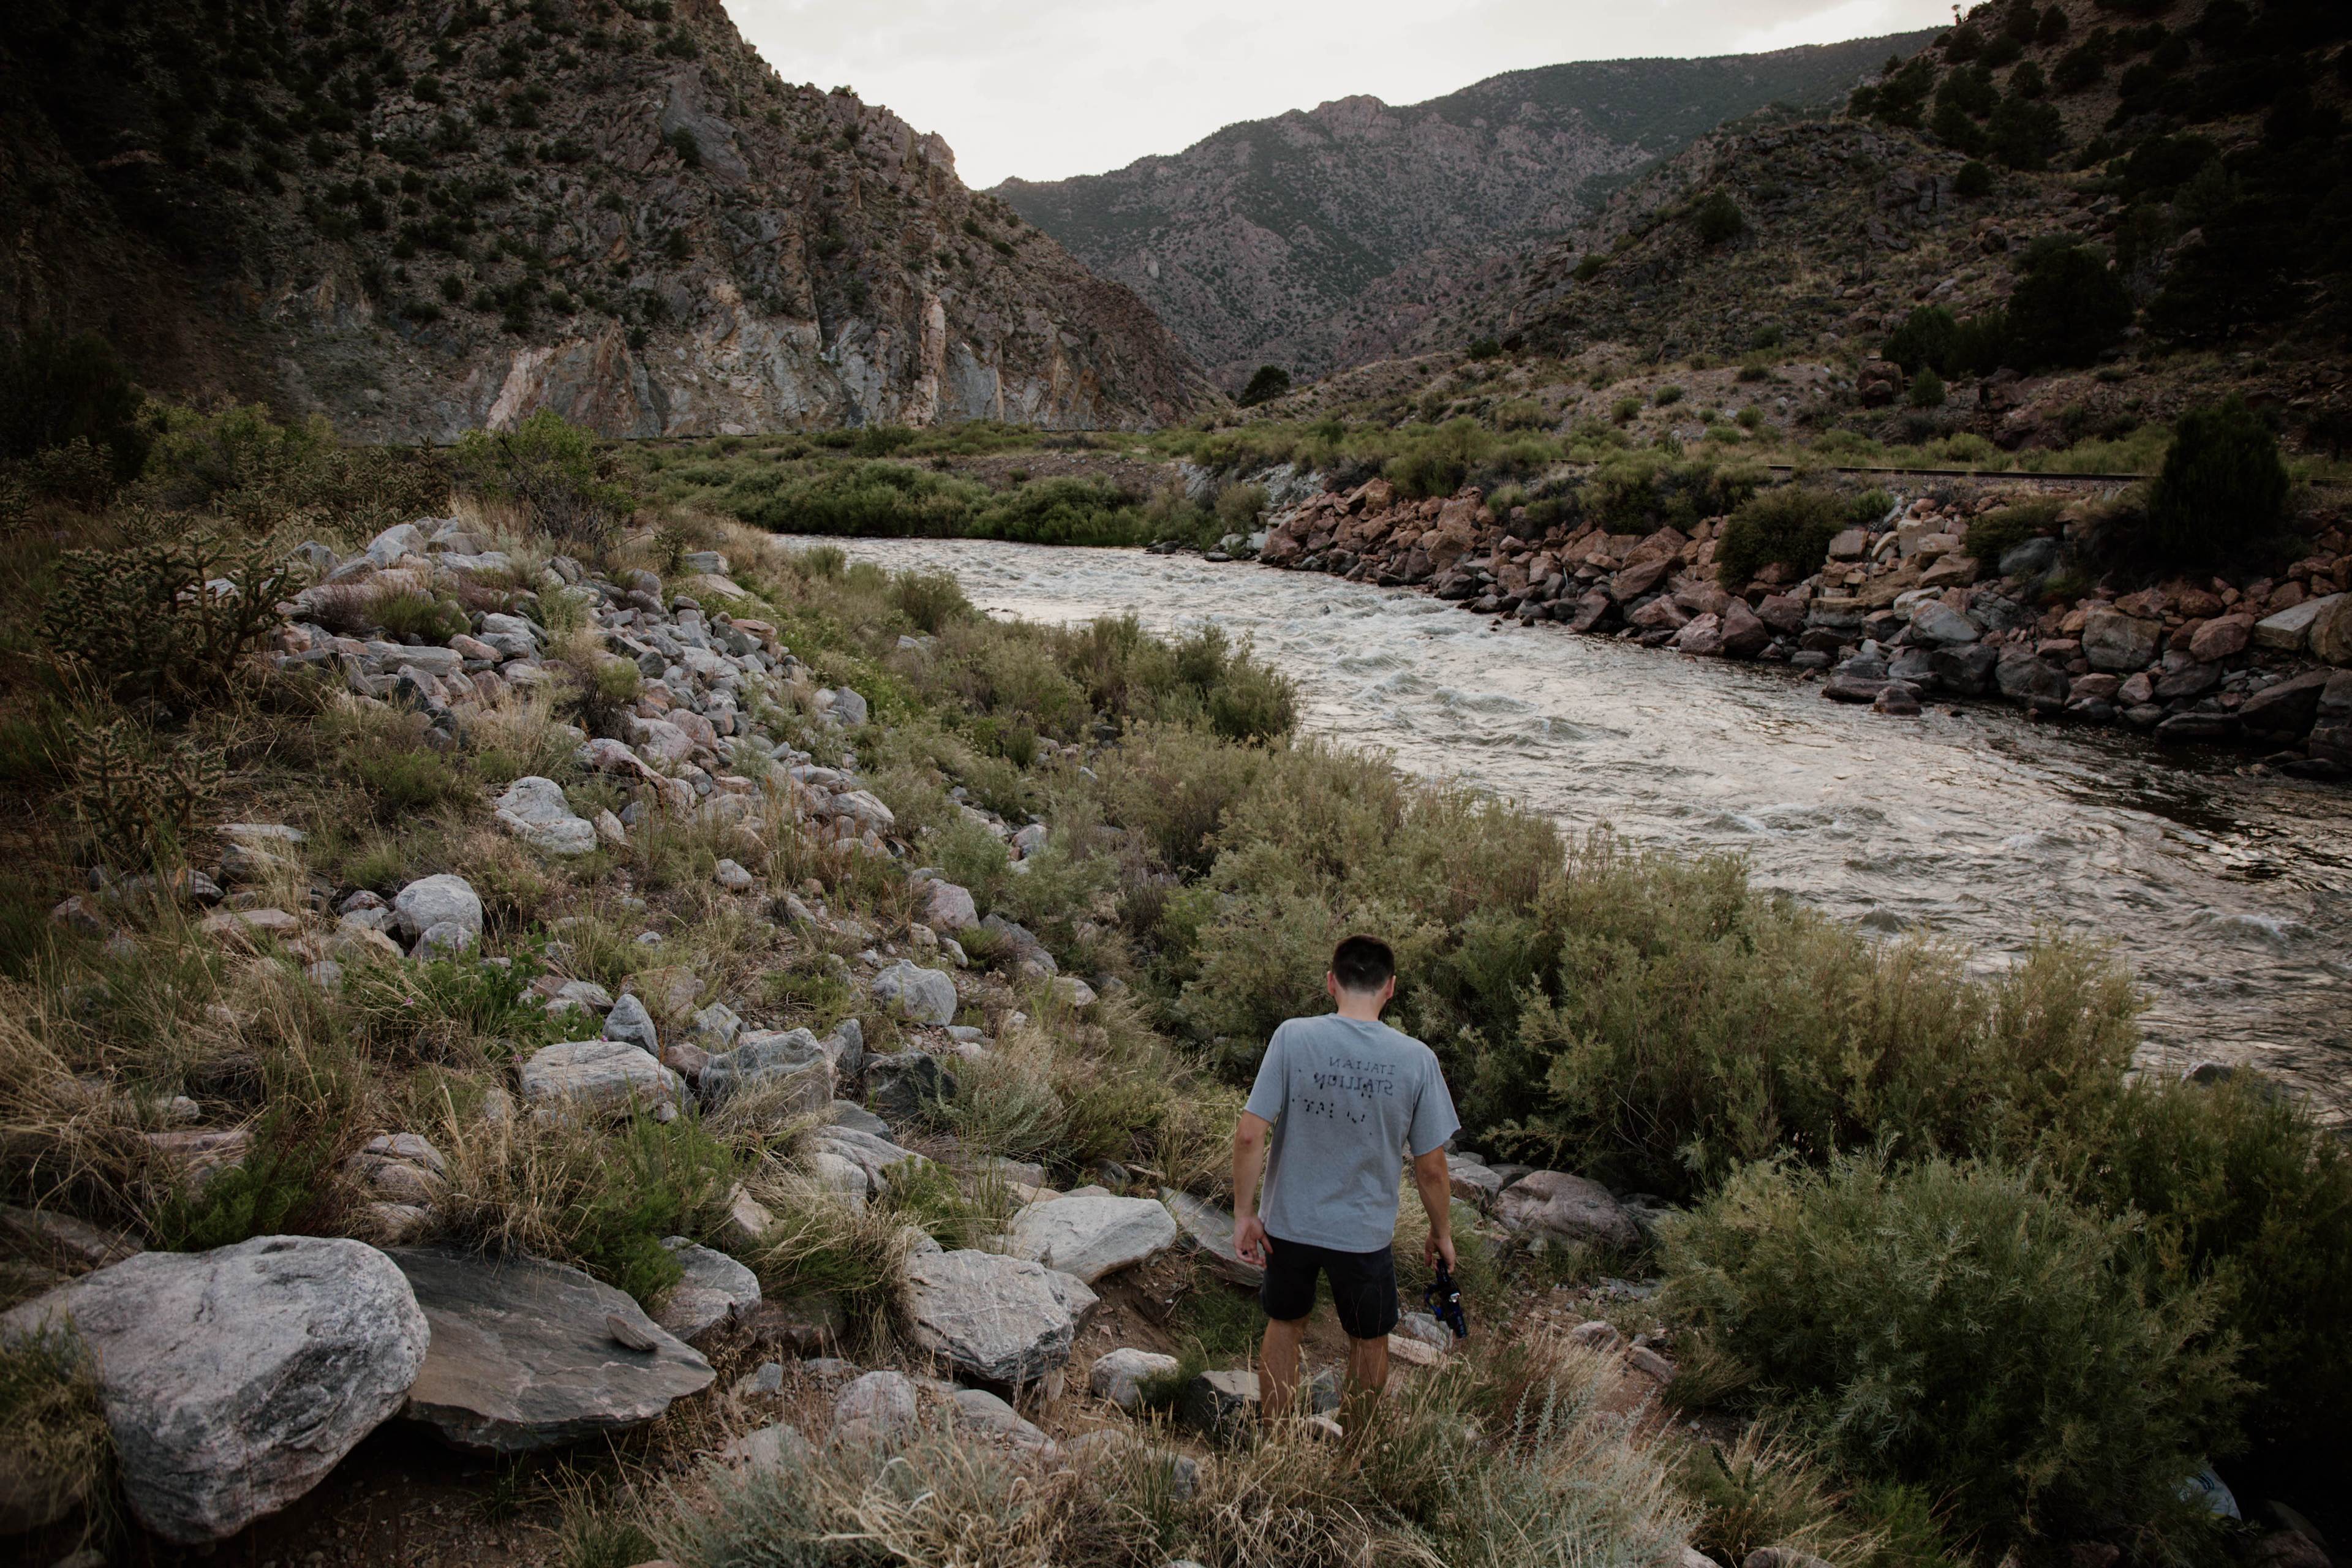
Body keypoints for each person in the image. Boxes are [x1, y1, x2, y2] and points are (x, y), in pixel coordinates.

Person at [1231, 933, 1460, 1435]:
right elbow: (1431, 1168)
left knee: (1285, 1325)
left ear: (1331, 982)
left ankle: (1276, 1443)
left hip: (1289, 1226)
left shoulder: (1292, 1037)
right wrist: (1441, 1232)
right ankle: (1355, 1453)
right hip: (1364, 1236)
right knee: (1369, 1338)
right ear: (1391, 988)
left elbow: (1249, 1135)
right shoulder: (1416, 1059)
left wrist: (1244, 1214)